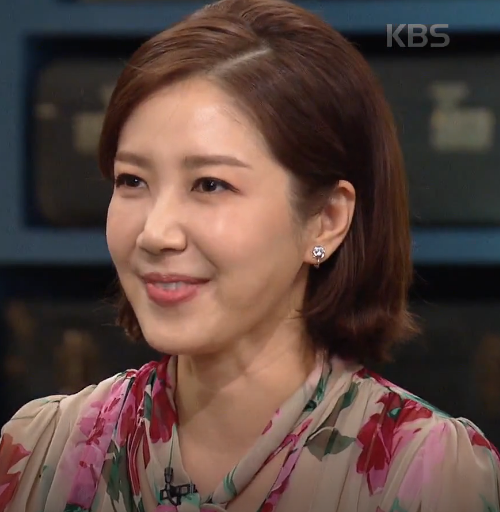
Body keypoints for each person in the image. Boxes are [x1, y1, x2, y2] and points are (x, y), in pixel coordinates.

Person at [1, 0, 499, 510]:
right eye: (132, 180)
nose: (155, 233)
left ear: (326, 219)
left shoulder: (431, 475)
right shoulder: (38, 453)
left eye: (209, 184)